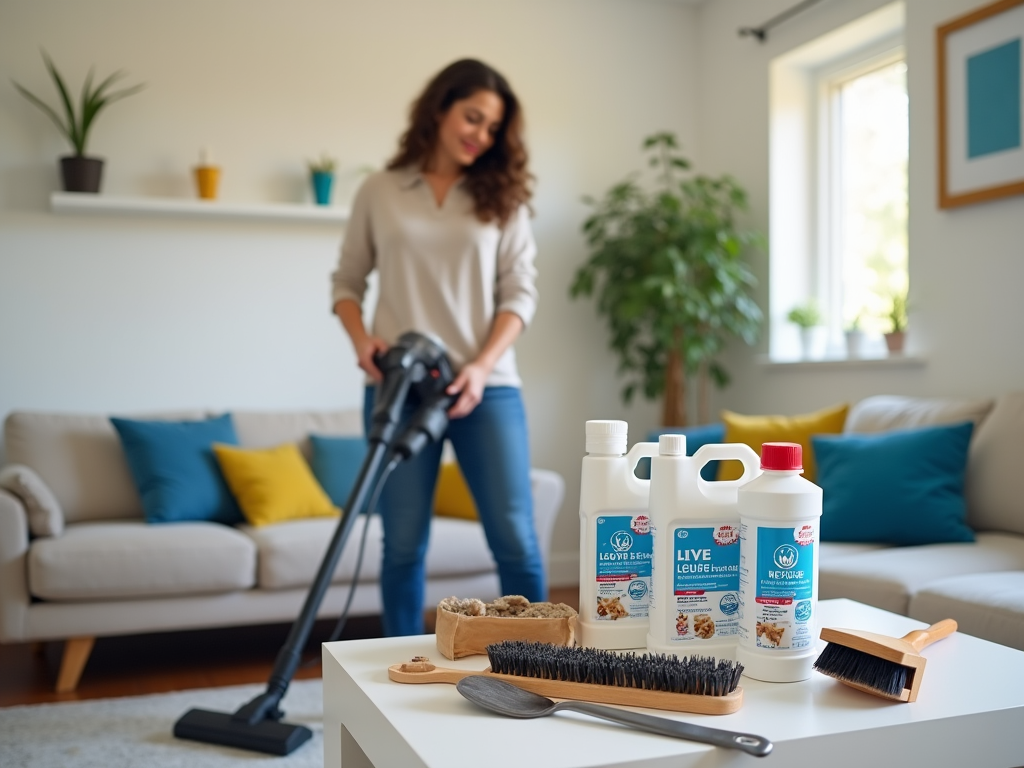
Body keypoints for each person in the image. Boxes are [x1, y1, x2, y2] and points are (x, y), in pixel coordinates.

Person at [330, 58, 546, 636]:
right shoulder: (380, 190)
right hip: (401, 388)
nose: (480, 134)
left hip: (487, 388)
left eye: (493, 127)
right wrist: (361, 340)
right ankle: (399, 668)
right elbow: (347, 281)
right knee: (400, 544)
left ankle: (543, 663)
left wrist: (479, 366)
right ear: (440, 108)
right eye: (472, 117)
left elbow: (519, 295)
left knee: (514, 537)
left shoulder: (504, 198)